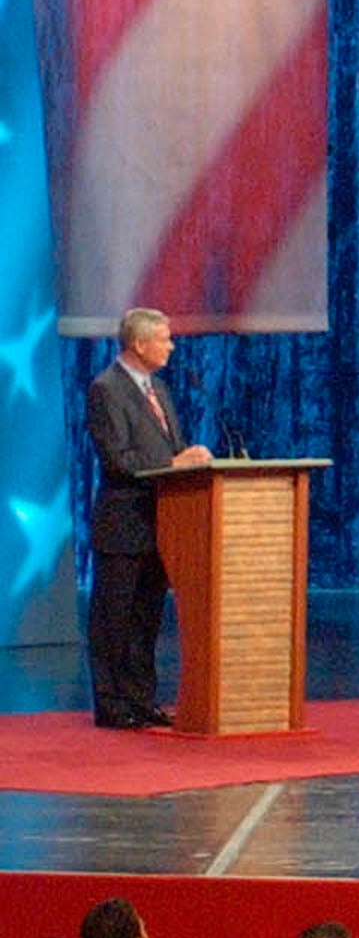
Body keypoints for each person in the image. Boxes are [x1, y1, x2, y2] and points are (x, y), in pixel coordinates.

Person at [81, 308, 212, 729]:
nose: (171, 346)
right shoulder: (106, 389)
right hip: (124, 525)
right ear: (140, 344)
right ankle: (113, 705)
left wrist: (190, 462)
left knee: (145, 620)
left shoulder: (160, 389)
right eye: (165, 338)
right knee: (114, 621)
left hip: (164, 524)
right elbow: (118, 459)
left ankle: (140, 700)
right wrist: (176, 461)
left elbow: (167, 451)